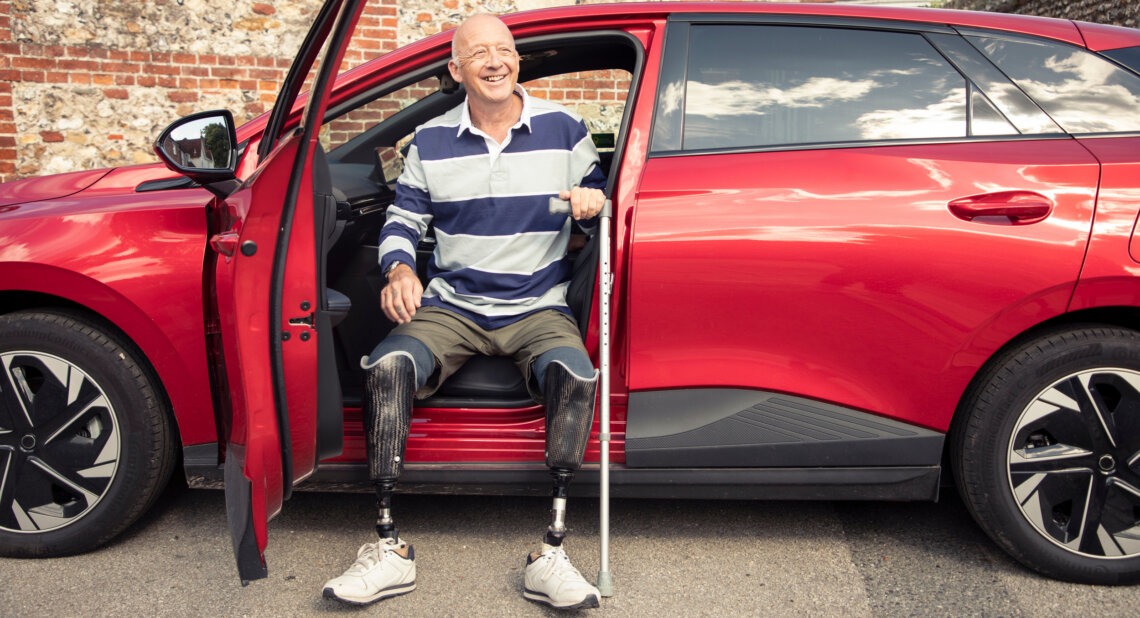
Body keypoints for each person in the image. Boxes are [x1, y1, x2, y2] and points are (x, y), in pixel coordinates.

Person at [321, 13, 608, 610]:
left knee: (576, 378)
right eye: (480, 53)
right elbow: (402, 219)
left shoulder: (564, 128)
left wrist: (590, 201)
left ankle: (551, 551)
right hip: (453, 305)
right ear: (457, 70)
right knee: (386, 367)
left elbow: (602, 199)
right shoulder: (429, 140)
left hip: (538, 304)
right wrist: (400, 269)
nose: (496, 61)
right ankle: (387, 548)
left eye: (504, 49)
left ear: (517, 61)